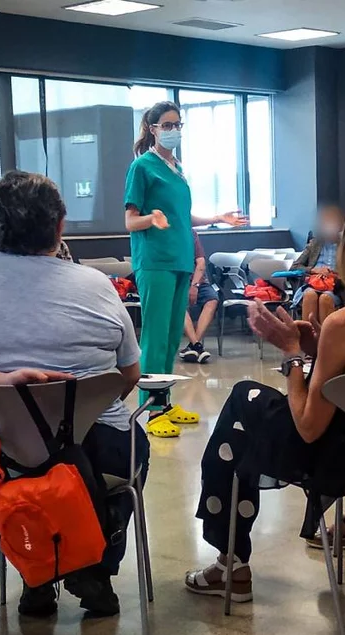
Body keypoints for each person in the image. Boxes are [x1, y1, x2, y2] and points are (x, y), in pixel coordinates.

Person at [185, 185, 345, 602]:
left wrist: (290, 355)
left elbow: (307, 427)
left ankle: (230, 562)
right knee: (246, 414)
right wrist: (317, 349)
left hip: (342, 459)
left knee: (241, 406)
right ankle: (229, 560)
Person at [0, 170, 148, 618]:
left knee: (18, 474)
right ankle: (96, 567)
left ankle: (35, 576)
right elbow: (128, 374)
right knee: (133, 458)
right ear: (60, 228)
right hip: (98, 451)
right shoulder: (97, 286)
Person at [124, 101, 248, 438]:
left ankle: (164, 402)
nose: (174, 129)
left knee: (170, 338)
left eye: (178, 123)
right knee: (154, 337)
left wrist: (217, 219)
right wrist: (152, 218)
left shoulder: (176, 168)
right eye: (167, 124)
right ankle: (149, 409)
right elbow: (131, 220)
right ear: (152, 128)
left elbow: (183, 215)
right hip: (155, 261)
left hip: (180, 261)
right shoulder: (143, 168)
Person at [289, 205, 345, 325]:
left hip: (335, 288)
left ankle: (325, 340)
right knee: (310, 295)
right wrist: (314, 270)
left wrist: (334, 275)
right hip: (313, 283)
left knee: (325, 299)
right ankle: (307, 338)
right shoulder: (315, 243)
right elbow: (295, 267)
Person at [179, 231, 218, 363]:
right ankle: (197, 345)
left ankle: (194, 346)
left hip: (198, 280)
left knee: (212, 299)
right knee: (178, 304)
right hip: (180, 281)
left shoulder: (191, 234)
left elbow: (201, 262)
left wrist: (195, 286)